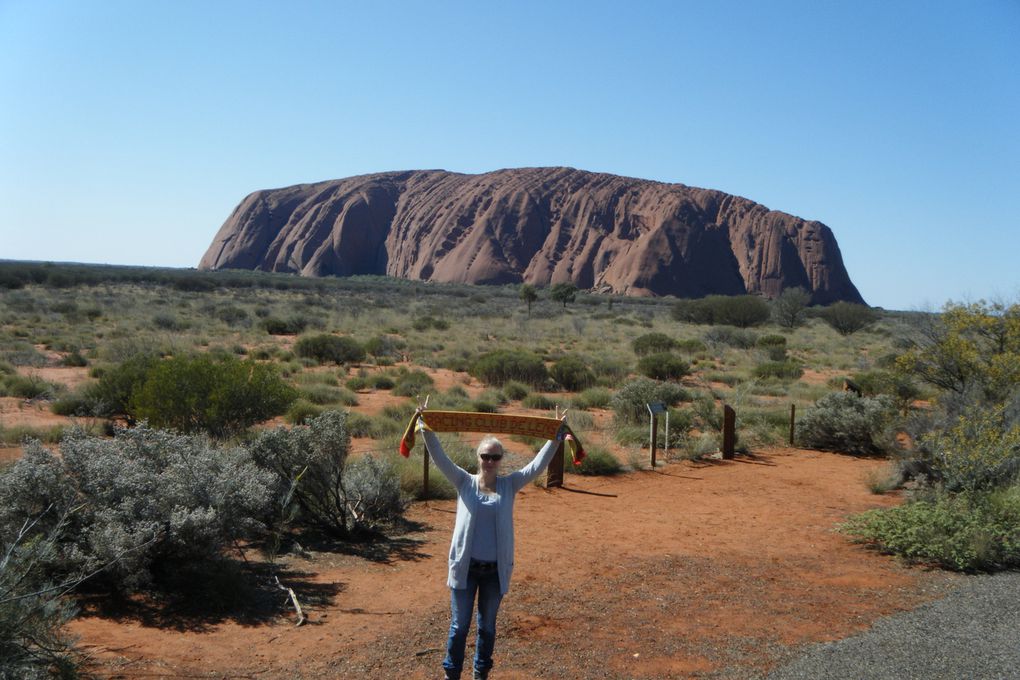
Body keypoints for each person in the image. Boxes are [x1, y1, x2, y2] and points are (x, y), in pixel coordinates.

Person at [417, 409, 566, 680]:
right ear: (478, 458)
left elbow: (536, 466)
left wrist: (555, 435)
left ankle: (480, 673)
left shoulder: (509, 485)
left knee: (487, 627)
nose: (489, 461)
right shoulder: (463, 481)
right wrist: (425, 427)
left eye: (495, 457)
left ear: (501, 460)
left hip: (494, 573)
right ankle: (452, 674)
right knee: (459, 626)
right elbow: (440, 458)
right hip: (465, 569)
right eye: (485, 456)